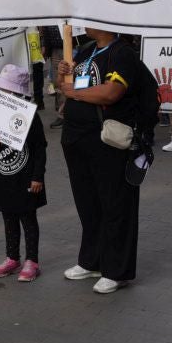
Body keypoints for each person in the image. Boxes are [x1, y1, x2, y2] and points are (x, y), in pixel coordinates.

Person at [55, 27, 144, 294]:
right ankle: (91, 260)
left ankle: (117, 270)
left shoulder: (122, 53)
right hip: (77, 138)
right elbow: (67, 87)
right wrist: (62, 76)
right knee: (88, 203)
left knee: (115, 203)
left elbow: (111, 92)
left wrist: (74, 92)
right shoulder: (86, 50)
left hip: (106, 140)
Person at [0, 63, 48, 282]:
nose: (2, 92)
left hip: (26, 177)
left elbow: (40, 147)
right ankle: (12, 257)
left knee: (28, 217)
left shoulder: (30, 115)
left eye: (6, 89)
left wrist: (37, 176)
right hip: (4, 177)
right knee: (8, 216)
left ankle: (32, 261)